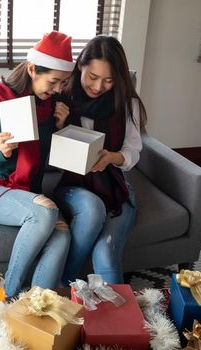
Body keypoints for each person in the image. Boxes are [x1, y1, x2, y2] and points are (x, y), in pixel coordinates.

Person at [0, 31, 75, 297]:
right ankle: (7, 294)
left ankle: (36, 307)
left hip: (27, 192)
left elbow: (47, 159)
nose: (58, 89)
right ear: (33, 68)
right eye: (54, 81)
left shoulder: (49, 106)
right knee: (48, 213)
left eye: (63, 83)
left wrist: (60, 128)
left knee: (62, 235)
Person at [53, 35, 148, 285]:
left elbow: (133, 150)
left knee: (106, 255)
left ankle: (119, 322)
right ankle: (66, 284)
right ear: (80, 66)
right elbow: (46, 157)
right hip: (74, 186)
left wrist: (112, 157)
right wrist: (59, 126)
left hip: (114, 185)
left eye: (108, 80)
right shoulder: (62, 96)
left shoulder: (127, 102)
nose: (98, 87)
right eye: (92, 77)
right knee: (93, 209)